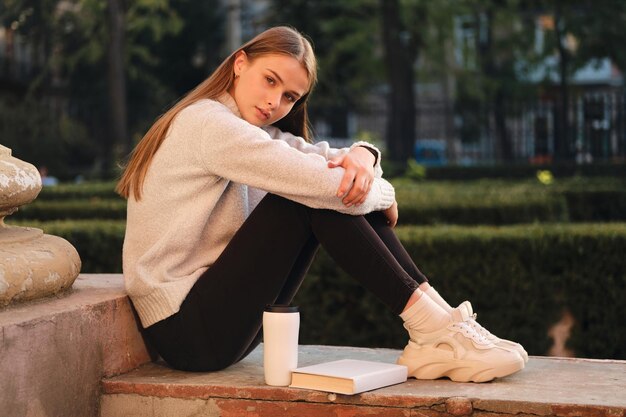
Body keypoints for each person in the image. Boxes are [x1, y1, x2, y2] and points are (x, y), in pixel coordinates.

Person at [117, 26, 527, 383]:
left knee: (322, 186)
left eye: (290, 96)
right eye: (269, 80)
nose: (275, 102)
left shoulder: (251, 128)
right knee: (306, 197)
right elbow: (326, 186)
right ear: (240, 63)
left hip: (220, 324)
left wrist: (366, 156)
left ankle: (442, 322)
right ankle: (432, 328)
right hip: (185, 331)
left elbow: (332, 159)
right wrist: (386, 194)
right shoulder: (208, 124)